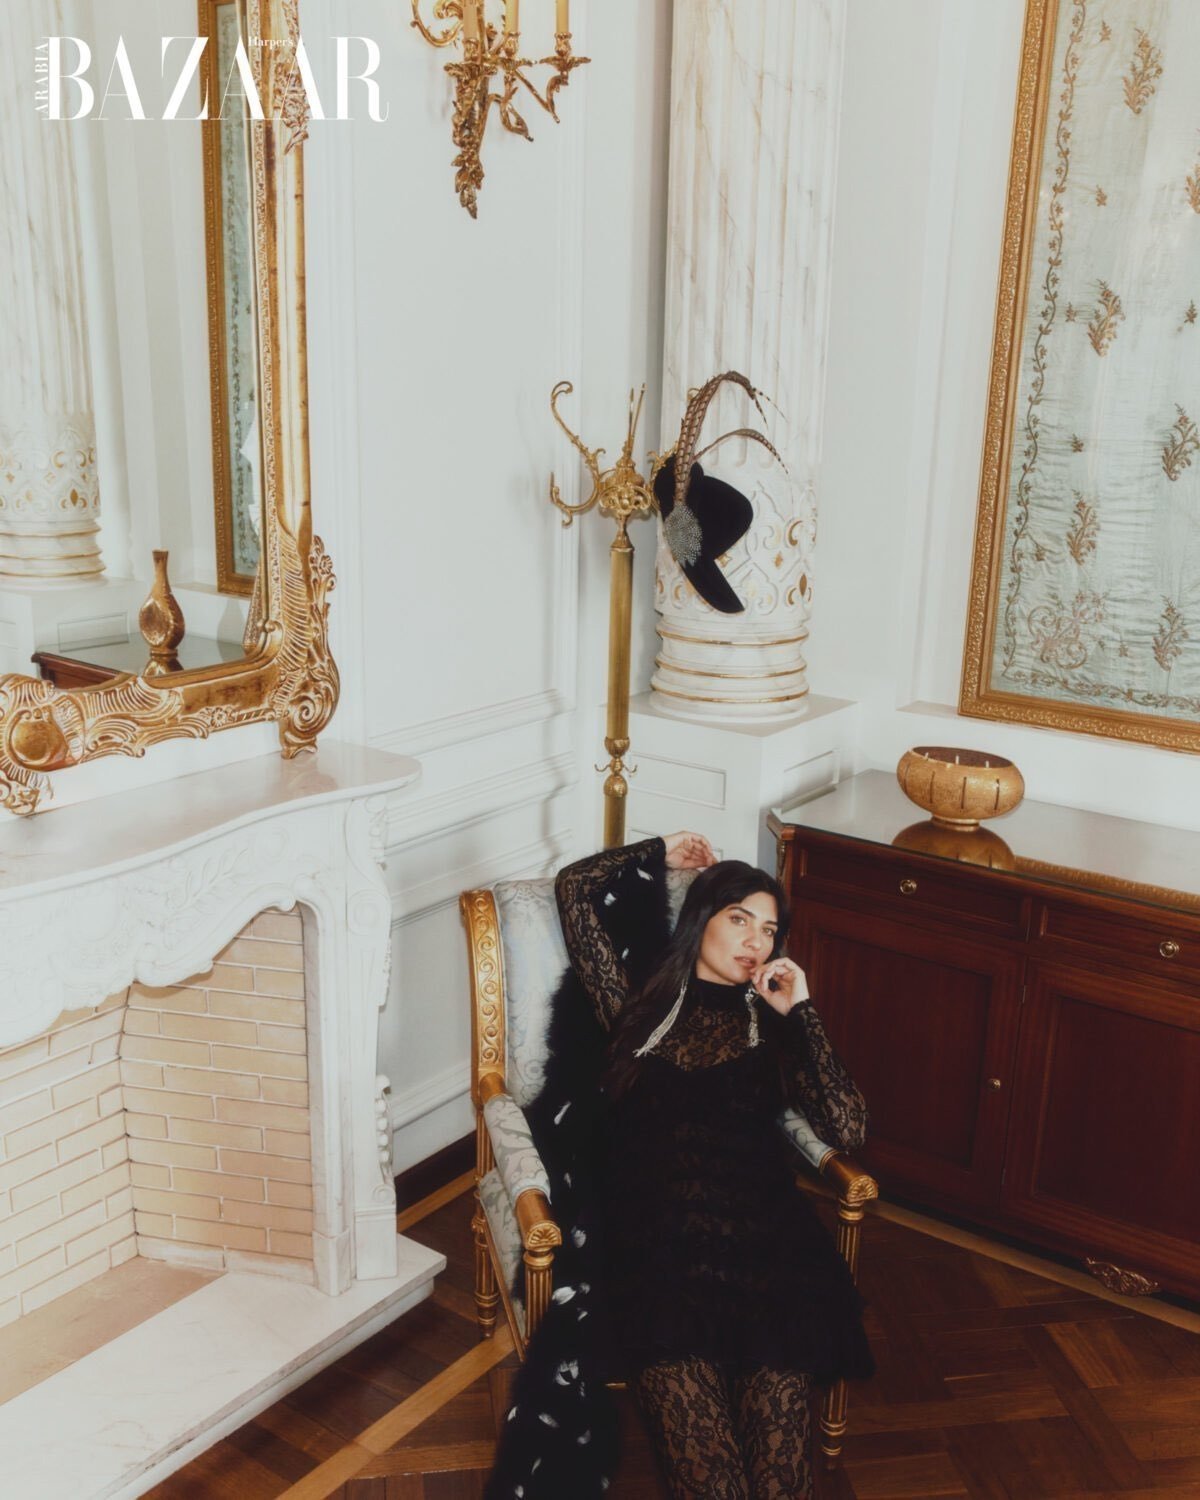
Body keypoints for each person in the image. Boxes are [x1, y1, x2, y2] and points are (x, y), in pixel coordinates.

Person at [488, 831, 873, 1500]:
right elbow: (575, 890)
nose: (756, 941)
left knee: (781, 1479)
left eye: (769, 930)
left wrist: (802, 1012)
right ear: (701, 918)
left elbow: (848, 1127)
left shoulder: (772, 1023)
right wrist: (659, 852)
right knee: (713, 1481)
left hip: (766, 1248)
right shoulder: (634, 1005)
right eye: (739, 919)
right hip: (656, 1251)